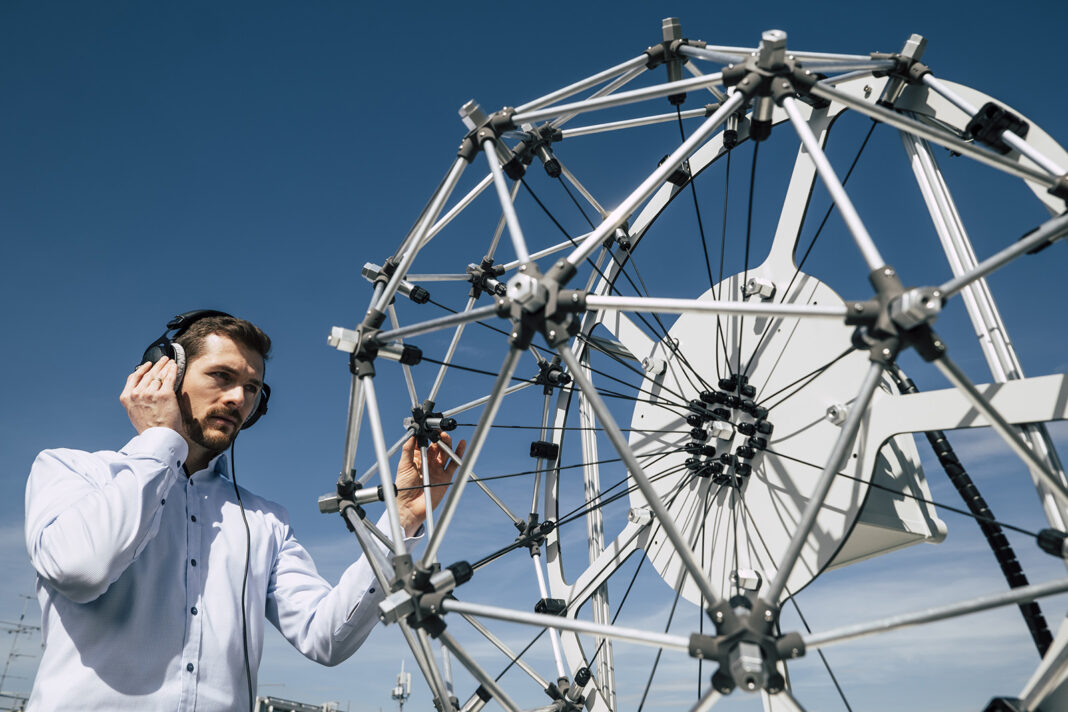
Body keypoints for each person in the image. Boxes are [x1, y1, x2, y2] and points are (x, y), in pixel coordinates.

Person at [23, 312, 464, 710]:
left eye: (252, 388)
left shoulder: (265, 522)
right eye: (222, 376)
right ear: (164, 372)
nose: (238, 398)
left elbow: (326, 638)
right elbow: (81, 570)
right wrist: (159, 440)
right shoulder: (71, 470)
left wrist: (402, 518)